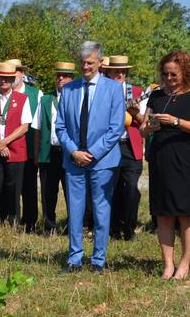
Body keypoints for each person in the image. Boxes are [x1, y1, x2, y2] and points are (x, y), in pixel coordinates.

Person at [56, 42, 125, 272]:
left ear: (100, 62)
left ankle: (98, 260)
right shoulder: (69, 90)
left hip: (103, 161)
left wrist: (93, 153)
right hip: (74, 160)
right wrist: (74, 152)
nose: (85, 67)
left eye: (90, 63)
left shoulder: (114, 89)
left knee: (101, 210)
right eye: (82, 62)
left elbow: (116, 128)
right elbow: (60, 127)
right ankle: (74, 258)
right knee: (75, 212)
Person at [141, 50, 190, 279]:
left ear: (185, 72)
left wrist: (176, 121)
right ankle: (168, 264)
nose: (169, 78)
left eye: (174, 74)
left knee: (185, 214)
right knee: (163, 214)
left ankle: (185, 264)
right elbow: (142, 129)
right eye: (165, 74)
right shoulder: (156, 95)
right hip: (160, 159)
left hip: (185, 160)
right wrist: (148, 127)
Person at [0, 62, 33, 225]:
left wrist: (4, 142)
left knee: (14, 189)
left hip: (15, 152)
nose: (4, 80)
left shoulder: (23, 99)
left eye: (7, 78)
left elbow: (25, 126)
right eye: (1, 77)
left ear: (12, 79)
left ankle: (13, 221)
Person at [32, 61, 74, 234]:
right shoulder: (45, 100)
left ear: (72, 79)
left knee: (71, 191)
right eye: (58, 76)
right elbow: (37, 129)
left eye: (65, 76)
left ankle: (73, 226)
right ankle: (49, 226)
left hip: (70, 153)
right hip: (49, 152)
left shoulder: (77, 98)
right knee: (48, 192)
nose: (60, 79)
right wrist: (37, 153)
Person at [107, 56, 145, 241]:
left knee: (131, 188)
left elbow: (146, 121)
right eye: (116, 71)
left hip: (130, 147)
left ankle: (129, 228)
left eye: (123, 71)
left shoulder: (136, 92)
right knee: (111, 188)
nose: (120, 74)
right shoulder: (102, 92)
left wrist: (135, 113)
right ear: (109, 72)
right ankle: (113, 228)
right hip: (109, 146)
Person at [7, 58, 43, 231]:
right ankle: (10, 221)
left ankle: (30, 223)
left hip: (28, 149)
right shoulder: (2, 93)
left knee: (29, 187)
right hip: (8, 150)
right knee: (10, 187)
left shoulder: (37, 94)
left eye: (15, 71)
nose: (12, 75)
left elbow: (40, 124)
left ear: (21, 74)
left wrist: (38, 151)